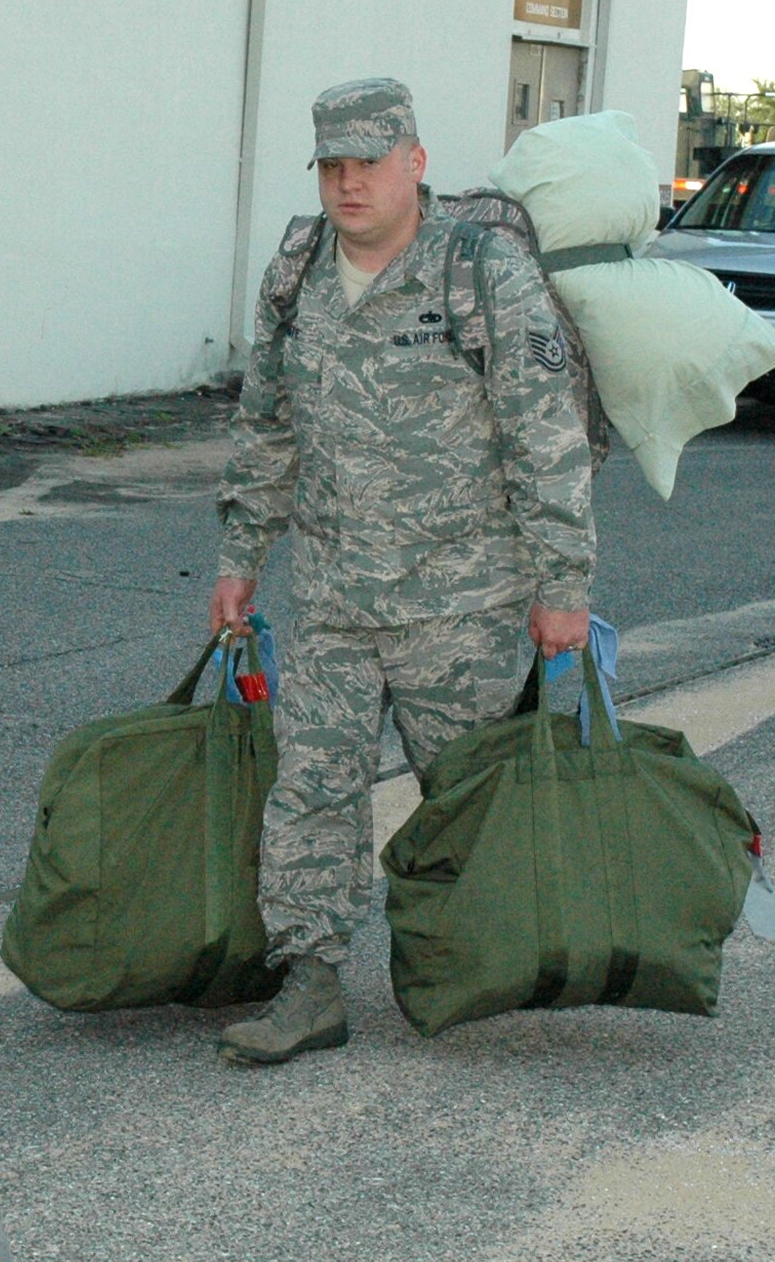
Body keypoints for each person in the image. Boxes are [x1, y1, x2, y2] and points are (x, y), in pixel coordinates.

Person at [211, 78, 594, 1067]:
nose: (346, 183)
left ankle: (479, 957)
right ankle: (308, 977)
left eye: (366, 163)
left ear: (413, 164)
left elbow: (544, 439)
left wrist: (562, 585)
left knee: (464, 795)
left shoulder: (481, 274)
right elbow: (266, 425)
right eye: (330, 165)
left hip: (460, 603)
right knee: (309, 789)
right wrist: (239, 556)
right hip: (333, 597)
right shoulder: (296, 270)